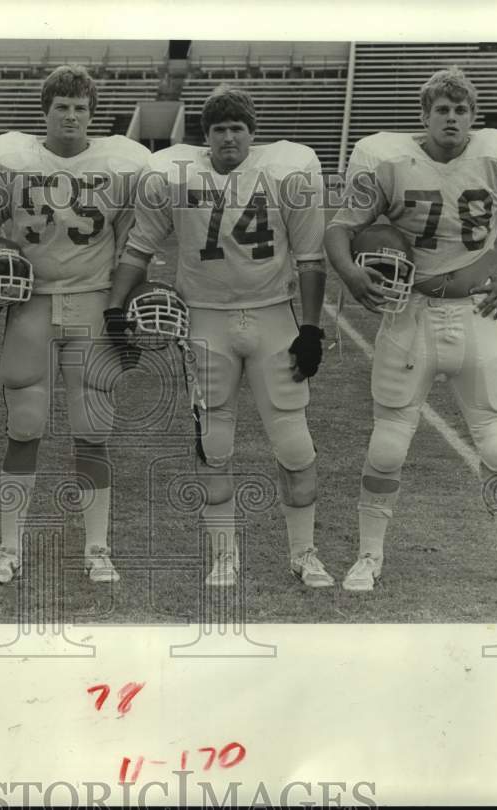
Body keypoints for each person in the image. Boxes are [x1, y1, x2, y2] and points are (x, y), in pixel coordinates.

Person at [324, 66, 497, 592]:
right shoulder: (389, 161)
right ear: (424, 116)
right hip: (411, 314)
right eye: (442, 110)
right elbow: (341, 229)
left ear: (473, 118)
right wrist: (352, 272)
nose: (451, 118)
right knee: (387, 446)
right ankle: (368, 556)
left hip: (478, 314)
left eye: (461, 110)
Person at [109, 87, 333, 588]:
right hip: (205, 320)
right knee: (214, 443)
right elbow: (140, 247)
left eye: (237, 127)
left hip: (274, 316)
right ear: (205, 136)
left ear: (252, 133)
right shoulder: (176, 176)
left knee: (294, 444)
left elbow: (311, 258)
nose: (229, 137)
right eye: (219, 129)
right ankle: (223, 556)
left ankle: (305, 553)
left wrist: (312, 327)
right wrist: (113, 307)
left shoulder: (286, 173)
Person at [0, 64, 150, 585]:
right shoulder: (10, 160)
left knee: (93, 430)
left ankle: (98, 548)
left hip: (91, 302)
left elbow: (137, 244)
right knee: (24, 426)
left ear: (92, 115)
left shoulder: (122, 163)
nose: (71, 117)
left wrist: (123, 303)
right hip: (32, 302)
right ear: (45, 111)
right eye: (61, 107)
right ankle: (8, 548)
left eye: (80, 108)